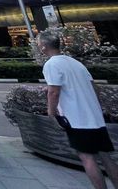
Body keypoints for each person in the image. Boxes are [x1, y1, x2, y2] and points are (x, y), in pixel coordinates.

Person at [40, 31, 118, 189]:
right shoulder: (75, 62)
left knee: (87, 158)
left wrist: (51, 113)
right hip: (95, 117)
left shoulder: (51, 64)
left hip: (77, 119)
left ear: (43, 47)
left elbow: (53, 91)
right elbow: (94, 88)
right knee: (106, 157)